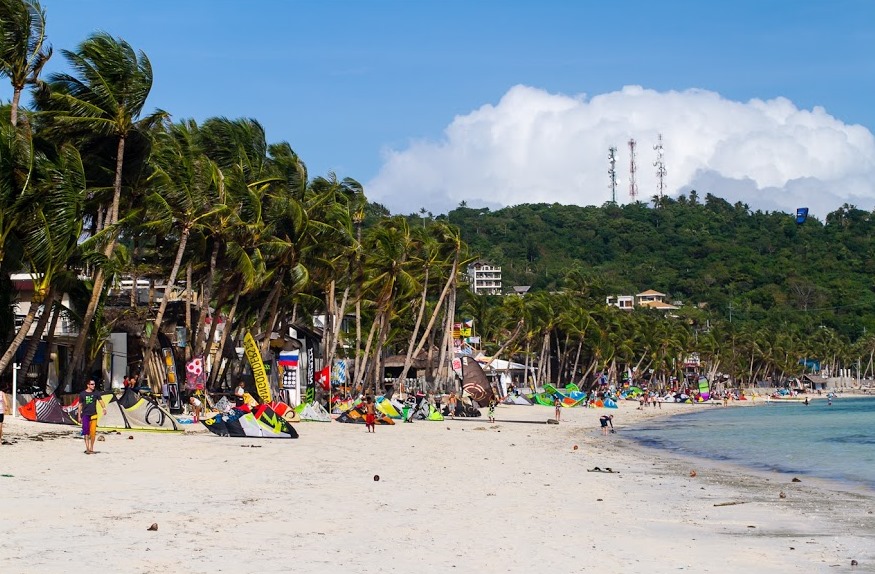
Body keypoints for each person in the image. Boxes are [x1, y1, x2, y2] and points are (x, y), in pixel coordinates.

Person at [78, 379, 107, 454]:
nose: (93, 385)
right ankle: (87, 448)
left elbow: (101, 401)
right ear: (88, 385)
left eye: (94, 384)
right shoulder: (82, 394)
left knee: (93, 432)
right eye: (92, 384)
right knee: (86, 432)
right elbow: (80, 405)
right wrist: (79, 416)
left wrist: (104, 408)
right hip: (85, 415)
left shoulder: (96, 393)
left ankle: (91, 448)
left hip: (94, 414)